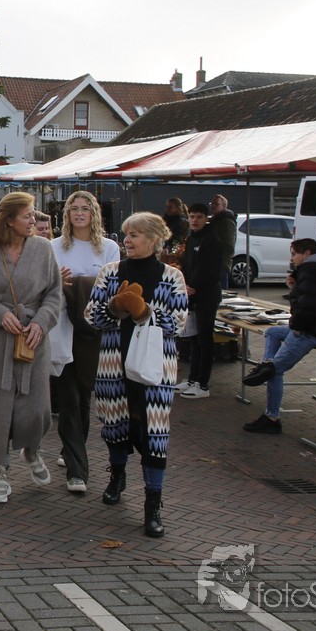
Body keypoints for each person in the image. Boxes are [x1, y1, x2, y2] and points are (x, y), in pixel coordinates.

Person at [84, 212, 189, 538]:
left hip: (155, 369)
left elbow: (178, 323)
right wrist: (115, 308)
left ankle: (152, 504)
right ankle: (117, 476)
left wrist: (144, 312)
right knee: (115, 424)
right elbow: (91, 316)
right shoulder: (110, 272)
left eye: (135, 235)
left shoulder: (172, 276)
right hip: (114, 365)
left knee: (154, 434)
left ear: (154, 239)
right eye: (126, 234)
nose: (127, 240)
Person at [0, 192, 62, 501]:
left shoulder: (44, 249)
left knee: (37, 408)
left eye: (33, 214)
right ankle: (0, 472)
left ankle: (31, 449)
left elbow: (54, 293)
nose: (34, 220)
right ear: (8, 220)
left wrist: (41, 322)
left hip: (33, 339)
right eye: (27, 215)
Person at [241, 238, 316, 434]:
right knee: (273, 332)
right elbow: (309, 300)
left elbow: (308, 306)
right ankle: (266, 363)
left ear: (307, 253)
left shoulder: (311, 271)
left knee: (275, 371)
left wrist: (297, 325)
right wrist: (294, 288)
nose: (291, 258)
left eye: (294, 254)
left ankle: (272, 417)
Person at [49, 190, 120, 495]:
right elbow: (43, 286)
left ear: (94, 214)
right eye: (73, 208)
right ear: (67, 214)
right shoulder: (53, 247)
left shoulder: (109, 248)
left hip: (92, 332)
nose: (79, 213)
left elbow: (114, 288)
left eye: (84, 208)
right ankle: (78, 471)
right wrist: (57, 280)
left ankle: (71, 449)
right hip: (62, 328)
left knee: (84, 396)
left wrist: (82, 284)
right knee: (68, 398)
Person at [176, 202, 225, 399]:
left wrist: (193, 286)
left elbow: (209, 269)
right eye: (192, 216)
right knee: (194, 338)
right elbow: (187, 266)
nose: (195, 220)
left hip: (207, 297)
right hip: (192, 296)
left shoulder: (212, 240)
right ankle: (192, 379)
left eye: (199, 217)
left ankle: (203, 384)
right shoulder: (191, 239)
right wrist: (185, 284)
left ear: (206, 219)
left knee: (204, 339)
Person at [209, 194, 237, 290]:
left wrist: (222, 260)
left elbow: (229, 244)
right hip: (213, 261)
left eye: (216, 204)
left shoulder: (226, 221)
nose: (213, 206)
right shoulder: (215, 220)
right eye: (212, 203)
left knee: (221, 291)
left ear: (224, 206)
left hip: (220, 263)